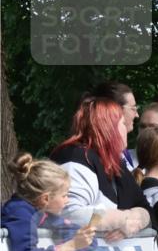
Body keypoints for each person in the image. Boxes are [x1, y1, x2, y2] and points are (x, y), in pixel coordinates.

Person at [51, 96, 150, 239]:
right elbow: (69, 214)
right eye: (122, 123)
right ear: (109, 127)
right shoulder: (75, 157)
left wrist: (134, 221)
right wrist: (121, 220)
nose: (128, 131)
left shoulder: (115, 164)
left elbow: (145, 208)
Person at [2, 153, 96, 251]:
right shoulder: (19, 213)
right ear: (45, 199)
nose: (68, 200)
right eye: (64, 195)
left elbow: (90, 241)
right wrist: (69, 246)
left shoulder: (44, 213)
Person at [89, 81, 140, 170]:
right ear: (115, 109)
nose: (137, 115)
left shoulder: (123, 152)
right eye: (133, 108)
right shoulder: (94, 156)